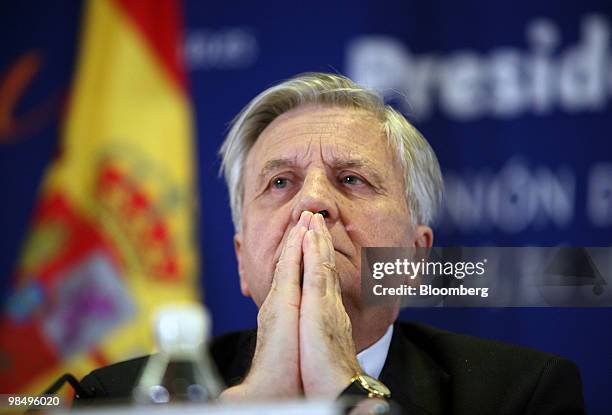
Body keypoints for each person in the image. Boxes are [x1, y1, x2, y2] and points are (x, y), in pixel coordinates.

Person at [76, 73, 585, 414]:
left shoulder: (521, 394)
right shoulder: (118, 398)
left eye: (351, 179)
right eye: (280, 183)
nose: (312, 204)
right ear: (240, 260)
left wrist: (349, 390)